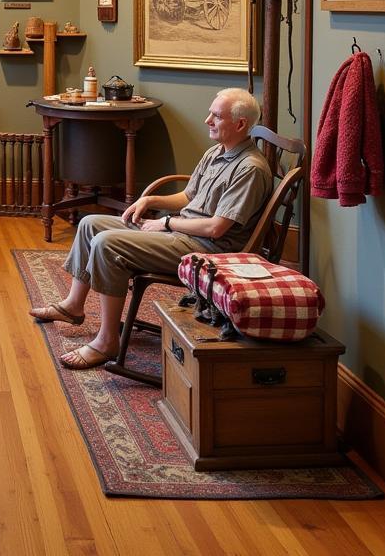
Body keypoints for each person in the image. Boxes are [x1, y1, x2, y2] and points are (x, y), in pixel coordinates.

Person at [29, 88, 271, 370]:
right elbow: (188, 198)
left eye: (216, 116)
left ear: (240, 124)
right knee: (89, 224)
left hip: (208, 251)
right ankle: (73, 306)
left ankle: (107, 341)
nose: (207, 120)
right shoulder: (218, 151)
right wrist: (150, 200)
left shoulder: (250, 169)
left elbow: (216, 228)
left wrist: (166, 222)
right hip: (184, 234)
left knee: (107, 243)